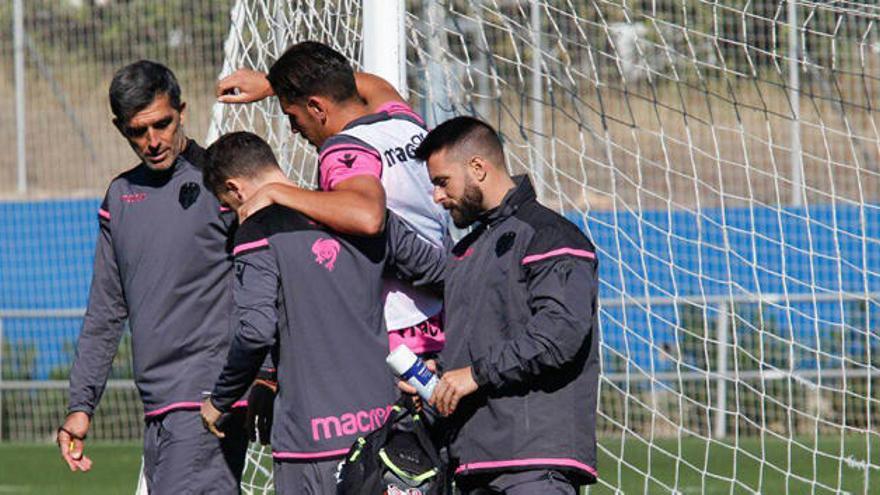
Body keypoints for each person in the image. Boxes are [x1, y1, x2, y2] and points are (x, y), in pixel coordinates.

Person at [198, 131, 444, 495]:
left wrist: (220, 400)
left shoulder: (255, 232)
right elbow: (442, 274)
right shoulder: (360, 217)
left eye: (229, 205)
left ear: (235, 189)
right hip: (382, 438)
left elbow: (255, 331)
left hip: (310, 445)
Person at [58, 60, 248, 493]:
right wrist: (81, 405)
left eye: (162, 124)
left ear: (181, 110)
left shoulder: (223, 183)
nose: (153, 141)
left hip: (209, 399)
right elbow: (105, 311)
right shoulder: (119, 197)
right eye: (138, 131)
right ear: (120, 128)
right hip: (158, 405)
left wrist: (266, 375)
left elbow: (268, 281)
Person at [216, 41, 447, 358]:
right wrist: (274, 85)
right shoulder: (403, 121)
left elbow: (367, 217)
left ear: (316, 107)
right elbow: (372, 84)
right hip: (444, 313)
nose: (293, 129)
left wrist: (276, 192)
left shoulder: (342, 150)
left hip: (398, 338)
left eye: (292, 116)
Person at [411, 116, 601, 494]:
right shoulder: (466, 252)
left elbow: (560, 334)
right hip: (472, 461)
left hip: (533, 464)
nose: (437, 196)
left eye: (442, 182)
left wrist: (474, 374)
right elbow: (480, 348)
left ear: (477, 168)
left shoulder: (549, 235)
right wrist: (440, 376)